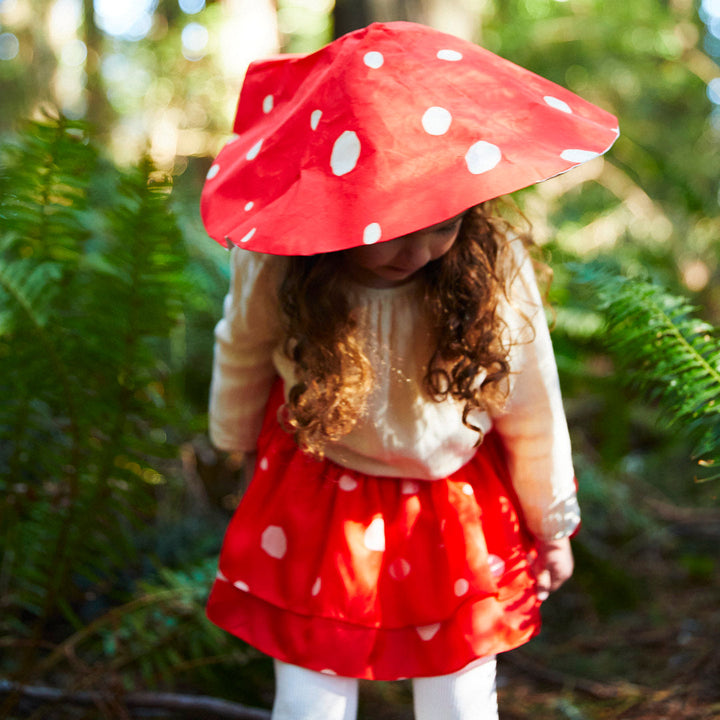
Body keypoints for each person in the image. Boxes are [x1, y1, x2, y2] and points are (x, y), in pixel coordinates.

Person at [200, 21, 619, 720]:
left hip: (453, 501)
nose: (420, 248)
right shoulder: (280, 262)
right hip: (319, 492)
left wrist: (551, 526)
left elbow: (531, 399)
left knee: (460, 697)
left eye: (443, 222)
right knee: (310, 696)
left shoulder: (492, 266)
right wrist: (233, 445)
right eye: (394, 226)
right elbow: (241, 348)